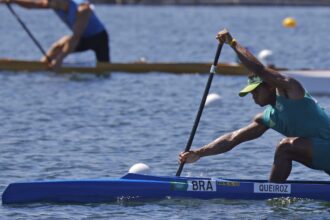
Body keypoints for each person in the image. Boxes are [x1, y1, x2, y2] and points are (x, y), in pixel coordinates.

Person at [179, 29, 330, 183]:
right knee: (285, 150)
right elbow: (232, 139)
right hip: (324, 158)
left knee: (284, 147)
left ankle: (271, 193)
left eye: (256, 91)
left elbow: (260, 70)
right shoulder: (269, 117)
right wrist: (198, 153)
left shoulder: (291, 90)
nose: (253, 96)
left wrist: (232, 43)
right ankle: (272, 193)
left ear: (270, 86)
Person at [1, 0, 110, 68]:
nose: (48, 3)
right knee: (57, 46)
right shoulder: (56, 4)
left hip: (99, 38)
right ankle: (42, 65)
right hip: (82, 37)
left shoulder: (82, 9)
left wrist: (60, 60)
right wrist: (13, 1)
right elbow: (32, 4)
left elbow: (76, 37)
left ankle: (110, 67)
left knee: (104, 68)